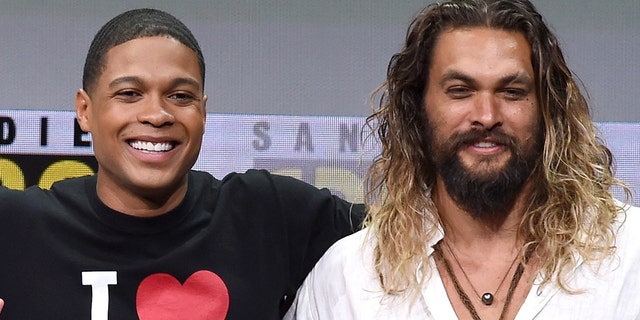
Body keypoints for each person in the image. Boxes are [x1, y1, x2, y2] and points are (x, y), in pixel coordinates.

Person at [0, 8, 364, 319]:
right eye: (129, 94)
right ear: (85, 110)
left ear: (203, 111)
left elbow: (410, 233)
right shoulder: (16, 228)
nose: (157, 114)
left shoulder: (268, 216)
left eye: (180, 96)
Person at [285, 0, 640, 319]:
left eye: (512, 92)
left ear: (548, 110)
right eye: (460, 91)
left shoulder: (630, 255)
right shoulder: (350, 276)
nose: (486, 116)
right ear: (417, 108)